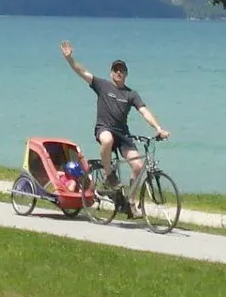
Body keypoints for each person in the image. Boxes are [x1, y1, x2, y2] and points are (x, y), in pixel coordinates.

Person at [59, 41, 168, 215]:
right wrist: (70, 58)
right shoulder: (102, 85)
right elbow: (82, 71)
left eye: (121, 70)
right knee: (107, 139)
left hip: (123, 135)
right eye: (115, 70)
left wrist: (158, 128)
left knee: (139, 166)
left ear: (126, 74)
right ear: (111, 73)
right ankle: (109, 175)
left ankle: (130, 203)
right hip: (104, 128)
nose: (118, 72)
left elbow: (144, 111)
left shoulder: (131, 94)